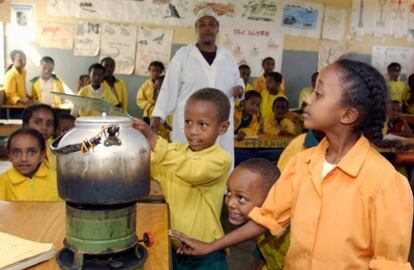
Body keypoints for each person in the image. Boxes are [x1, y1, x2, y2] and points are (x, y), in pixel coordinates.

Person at [170, 59, 413, 269]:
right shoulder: (301, 163)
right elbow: (267, 218)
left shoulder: (385, 182)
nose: (307, 99)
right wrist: (211, 246)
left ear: (347, 115)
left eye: (318, 94)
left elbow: (389, 263)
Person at [133, 88, 232, 269]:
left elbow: (191, 170)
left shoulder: (220, 159)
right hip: (177, 250)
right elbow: (152, 166)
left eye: (202, 125)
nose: (193, 131)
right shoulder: (177, 151)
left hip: (207, 254)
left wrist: (153, 138)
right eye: (188, 122)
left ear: (222, 127)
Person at [150, 13, 244, 163]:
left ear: (217, 30)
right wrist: (157, 117)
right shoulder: (183, 55)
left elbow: (237, 80)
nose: (207, 28)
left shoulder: (228, 57)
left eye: (212, 24)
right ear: (196, 29)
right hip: (191, 123)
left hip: (219, 122)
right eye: (202, 25)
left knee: (219, 164)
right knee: (187, 164)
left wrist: (240, 88)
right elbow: (169, 87)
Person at [225, 158, 289, 270]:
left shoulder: (292, 232)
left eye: (241, 197)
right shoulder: (252, 220)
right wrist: (259, 256)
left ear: (268, 199)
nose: (230, 203)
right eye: (229, 192)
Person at [0, 128, 59, 201]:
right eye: (16, 153)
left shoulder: (57, 180)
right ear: (9, 156)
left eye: (32, 152)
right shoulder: (2, 181)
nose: (23, 159)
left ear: (42, 155)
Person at [22, 104, 56, 170]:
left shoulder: (55, 148)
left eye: (49, 124)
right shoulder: (17, 147)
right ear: (26, 125)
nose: (44, 127)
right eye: (37, 122)